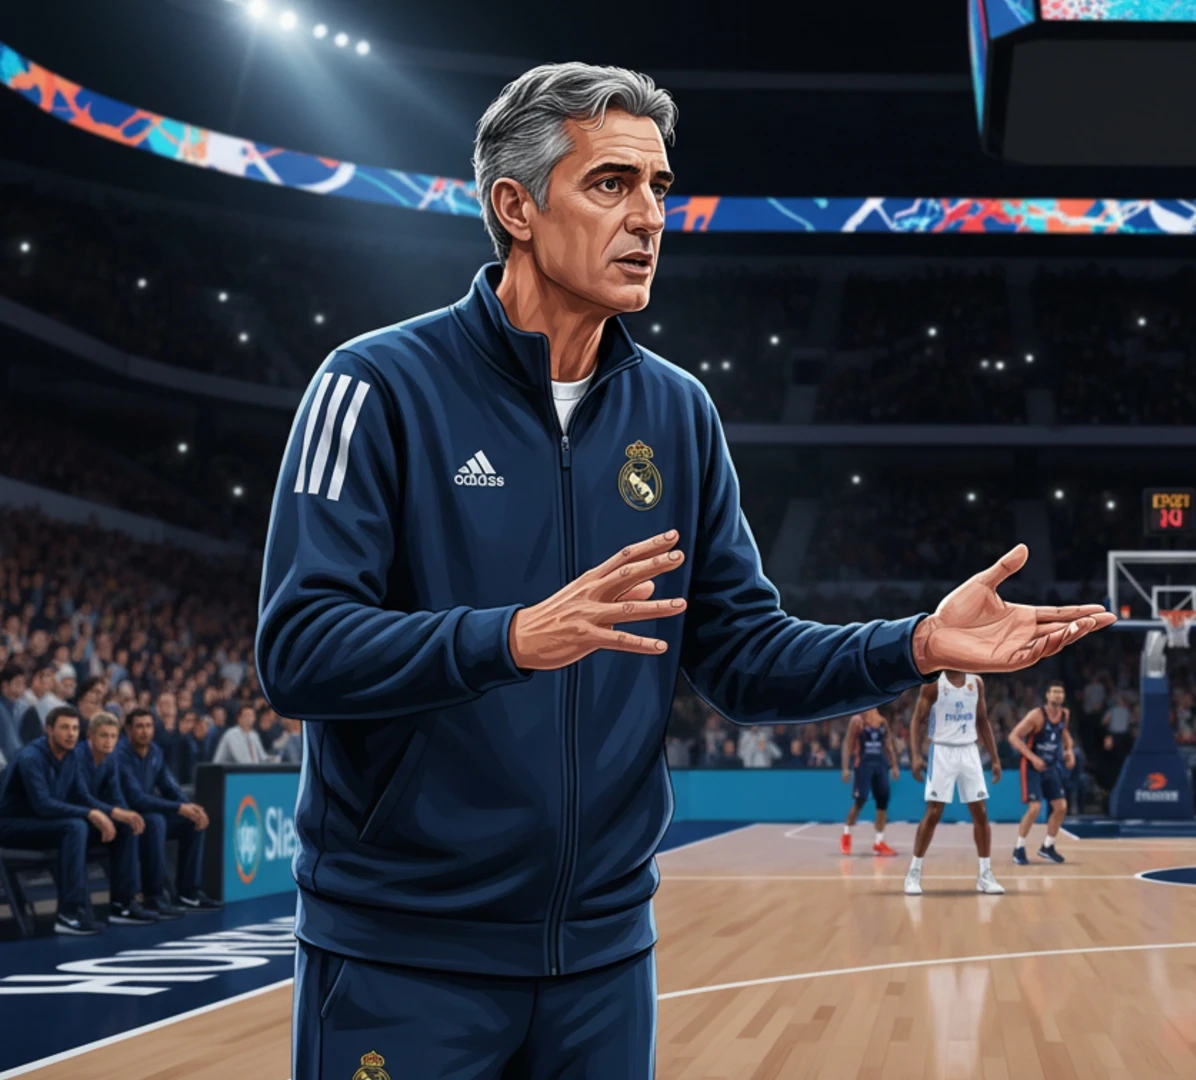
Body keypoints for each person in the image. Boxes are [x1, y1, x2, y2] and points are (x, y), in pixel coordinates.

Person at [255, 62, 1111, 1080]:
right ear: (516, 208)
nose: (651, 216)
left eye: (660, 188)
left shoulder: (677, 414)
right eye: (612, 185)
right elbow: (299, 648)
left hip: (604, 961)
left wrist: (915, 644)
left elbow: (744, 655)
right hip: (407, 954)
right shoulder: (377, 385)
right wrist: (512, 637)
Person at [0, 706, 116, 935]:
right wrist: (90, 813)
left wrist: (112, 814)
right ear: (49, 730)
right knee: (75, 826)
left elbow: (82, 795)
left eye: (75, 728)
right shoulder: (30, 757)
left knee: (99, 827)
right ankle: (68, 914)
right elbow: (42, 805)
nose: (71, 734)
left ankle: (124, 903)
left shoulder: (71, 755)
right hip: (10, 826)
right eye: (64, 728)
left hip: (42, 825)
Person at [906, 672, 1005, 896]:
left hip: (969, 751)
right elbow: (917, 720)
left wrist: (995, 757)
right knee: (933, 813)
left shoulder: (976, 682)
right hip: (942, 750)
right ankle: (914, 872)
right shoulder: (933, 685)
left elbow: (982, 720)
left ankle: (985, 874)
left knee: (980, 813)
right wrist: (914, 755)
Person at [116, 706, 221, 911]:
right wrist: (179, 807)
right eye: (139, 727)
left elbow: (169, 786)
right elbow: (136, 798)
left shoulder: (155, 751)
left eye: (148, 726)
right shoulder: (121, 754)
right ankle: (153, 896)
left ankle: (188, 892)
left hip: (146, 812)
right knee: (157, 821)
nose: (145, 731)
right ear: (128, 729)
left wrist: (190, 807)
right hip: (126, 815)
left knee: (192, 821)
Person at [76, 712, 165, 924]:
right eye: (103, 736)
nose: (109, 741)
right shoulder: (77, 756)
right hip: (79, 816)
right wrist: (116, 813)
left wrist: (129, 815)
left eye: (113, 736)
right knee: (91, 827)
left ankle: (124, 903)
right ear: (91, 736)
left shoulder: (111, 758)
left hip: (98, 818)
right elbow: (81, 797)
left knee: (128, 827)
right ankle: (86, 908)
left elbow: (116, 794)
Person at [1008, 681, 1074, 865]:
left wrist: (1069, 751)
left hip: (1050, 766)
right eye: (1053, 691)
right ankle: (1019, 848)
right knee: (1035, 808)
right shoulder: (1036, 715)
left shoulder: (1064, 714)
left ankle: (1048, 846)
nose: (1057, 695)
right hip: (1031, 766)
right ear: (1047, 695)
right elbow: (1013, 736)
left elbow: (1064, 734)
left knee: (1061, 806)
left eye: (1060, 692)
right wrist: (1033, 758)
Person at [839, 708, 899, 856]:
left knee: (882, 803)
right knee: (860, 800)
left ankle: (879, 842)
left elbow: (889, 745)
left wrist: (894, 765)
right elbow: (847, 744)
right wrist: (845, 768)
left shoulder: (882, 721)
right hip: (863, 765)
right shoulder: (857, 721)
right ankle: (846, 834)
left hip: (881, 764)